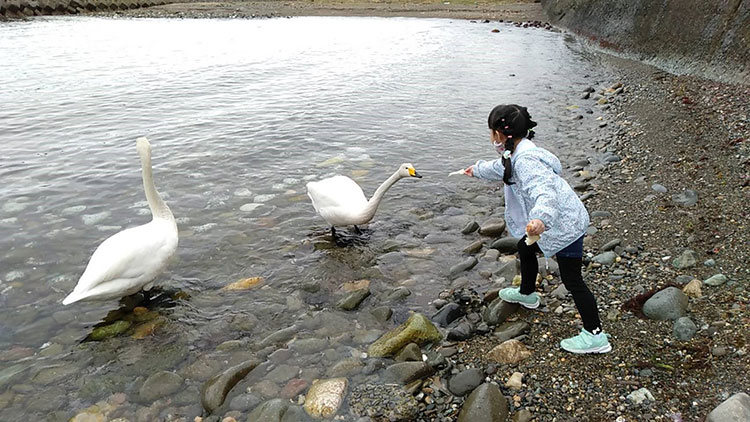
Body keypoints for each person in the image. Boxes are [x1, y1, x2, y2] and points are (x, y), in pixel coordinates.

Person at [463, 104, 611, 354]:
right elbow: (501, 168)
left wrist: (541, 218)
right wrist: (475, 170)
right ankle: (528, 293)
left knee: (573, 280)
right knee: (524, 246)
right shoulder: (517, 152)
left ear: (500, 134)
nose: (491, 138)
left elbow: (543, 191)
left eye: (492, 132)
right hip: (560, 220)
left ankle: (595, 335)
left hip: (564, 225)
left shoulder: (527, 161)